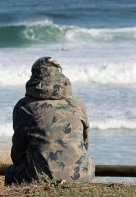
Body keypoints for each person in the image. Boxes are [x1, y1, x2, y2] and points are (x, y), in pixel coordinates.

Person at [6, 57, 94, 185]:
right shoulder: (78, 104)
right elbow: (85, 144)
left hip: (40, 177)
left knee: (11, 171)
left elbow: (18, 154)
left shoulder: (24, 106)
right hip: (81, 174)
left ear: (34, 75)